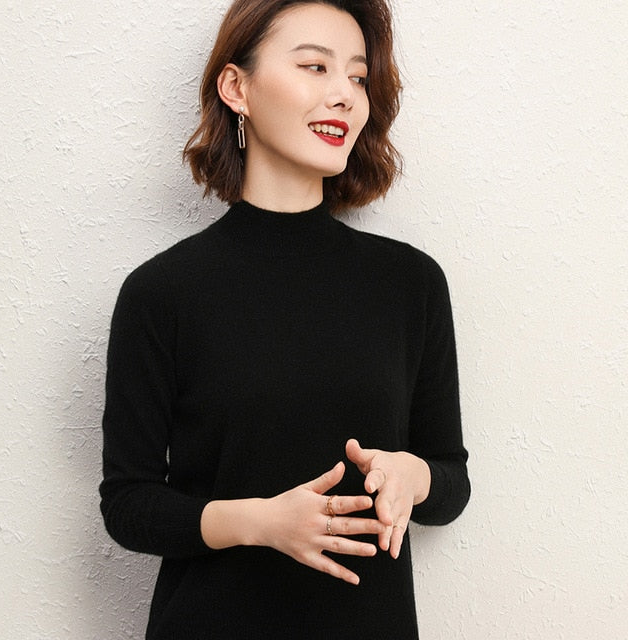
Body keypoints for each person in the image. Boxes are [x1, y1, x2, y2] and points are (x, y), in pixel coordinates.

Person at [99, 0, 470, 638]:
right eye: (315, 67)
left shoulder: (411, 284)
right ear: (236, 87)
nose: (346, 95)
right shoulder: (162, 292)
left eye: (358, 77)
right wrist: (260, 523)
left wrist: (414, 477)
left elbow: (451, 482)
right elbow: (128, 506)